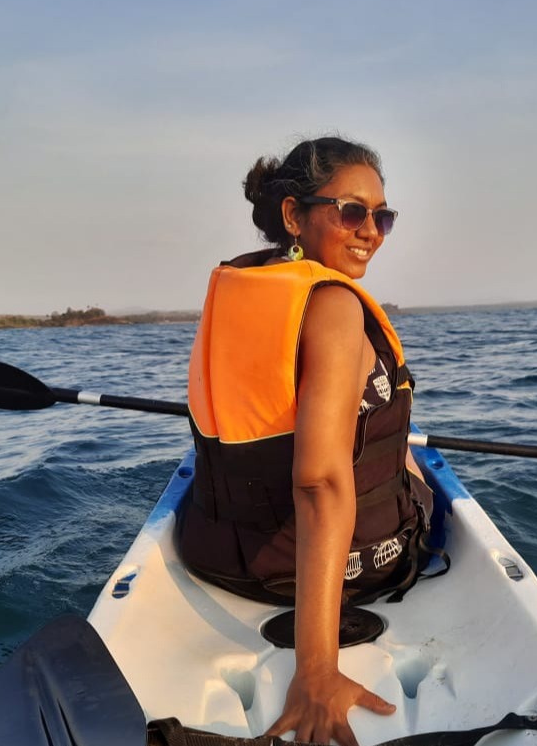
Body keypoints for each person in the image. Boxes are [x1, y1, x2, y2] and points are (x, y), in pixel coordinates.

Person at [177, 136, 435, 746]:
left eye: (383, 217)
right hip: (337, 575)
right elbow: (318, 481)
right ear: (294, 214)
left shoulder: (248, 283)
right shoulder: (335, 307)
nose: (370, 231)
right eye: (352, 211)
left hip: (217, 556)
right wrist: (316, 669)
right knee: (418, 477)